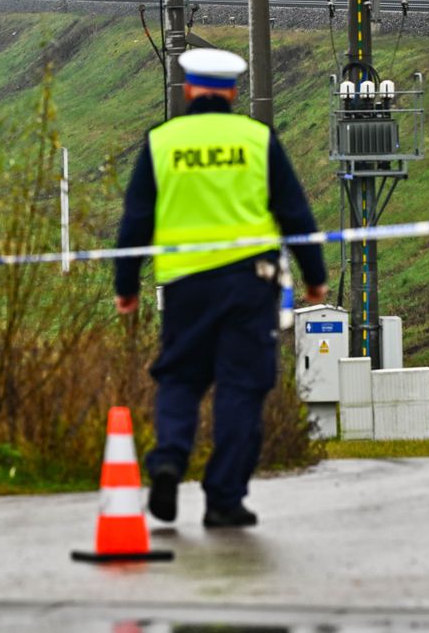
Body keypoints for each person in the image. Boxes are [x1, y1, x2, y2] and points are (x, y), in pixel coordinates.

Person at [114, 48, 328, 529]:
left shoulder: (161, 142)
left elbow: (136, 221)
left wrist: (126, 285)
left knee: (180, 377)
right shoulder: (257, 140)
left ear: (189, 88)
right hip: (248, 288)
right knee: (240, 386)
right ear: (232, 91)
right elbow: (294, 212)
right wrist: (314, 275)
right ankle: (224, 498)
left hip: (184, 286)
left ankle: (168, 459)